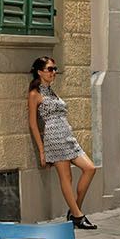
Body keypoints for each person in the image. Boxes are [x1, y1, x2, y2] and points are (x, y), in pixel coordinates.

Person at [26, 57, 98, 230]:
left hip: (68, 135)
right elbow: (33, 124)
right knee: (66, 178)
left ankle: (74, 211)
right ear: (40, 72)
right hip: (54, 138)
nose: (53, 72)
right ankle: (78, 216)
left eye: (55, 69)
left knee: (90, 168)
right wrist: (42, 150)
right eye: (50, 69)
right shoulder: (35, 94)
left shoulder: (52, 92)